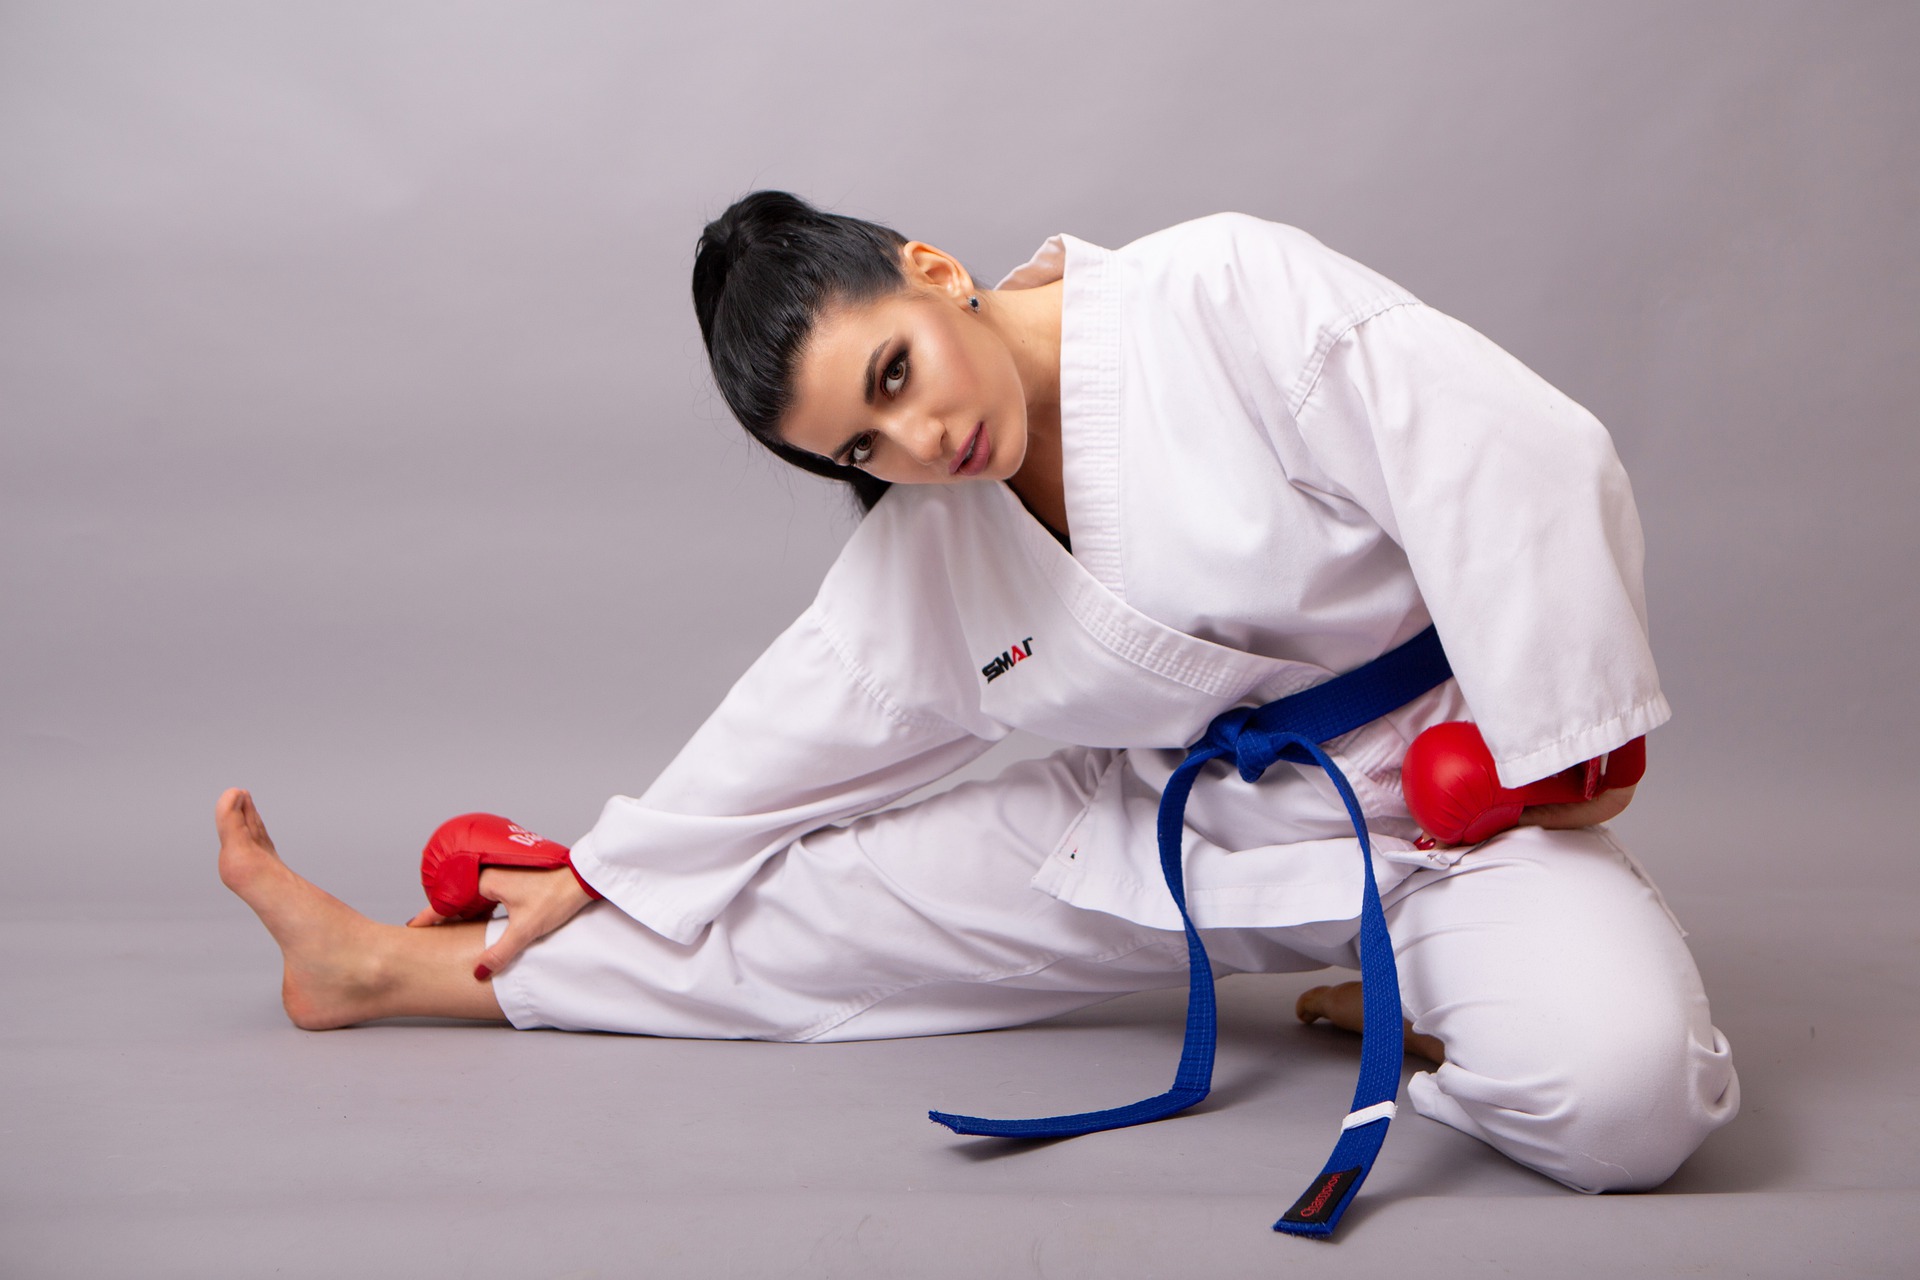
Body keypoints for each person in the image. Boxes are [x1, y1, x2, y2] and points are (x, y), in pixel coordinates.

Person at [217, 191, 1738, 1202]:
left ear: (935, 273)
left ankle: (1419, 1007)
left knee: (1628, 1100)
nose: (916, 443)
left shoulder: (1219, 293)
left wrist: (1563, 736)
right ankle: (379, 974)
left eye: (893, 376)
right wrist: (610, 867)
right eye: (858, 452)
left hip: (1464, 812)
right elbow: (802, 723)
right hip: (1178, 839)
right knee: (828, 911)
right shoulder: (937, 537)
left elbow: (1510, 451)